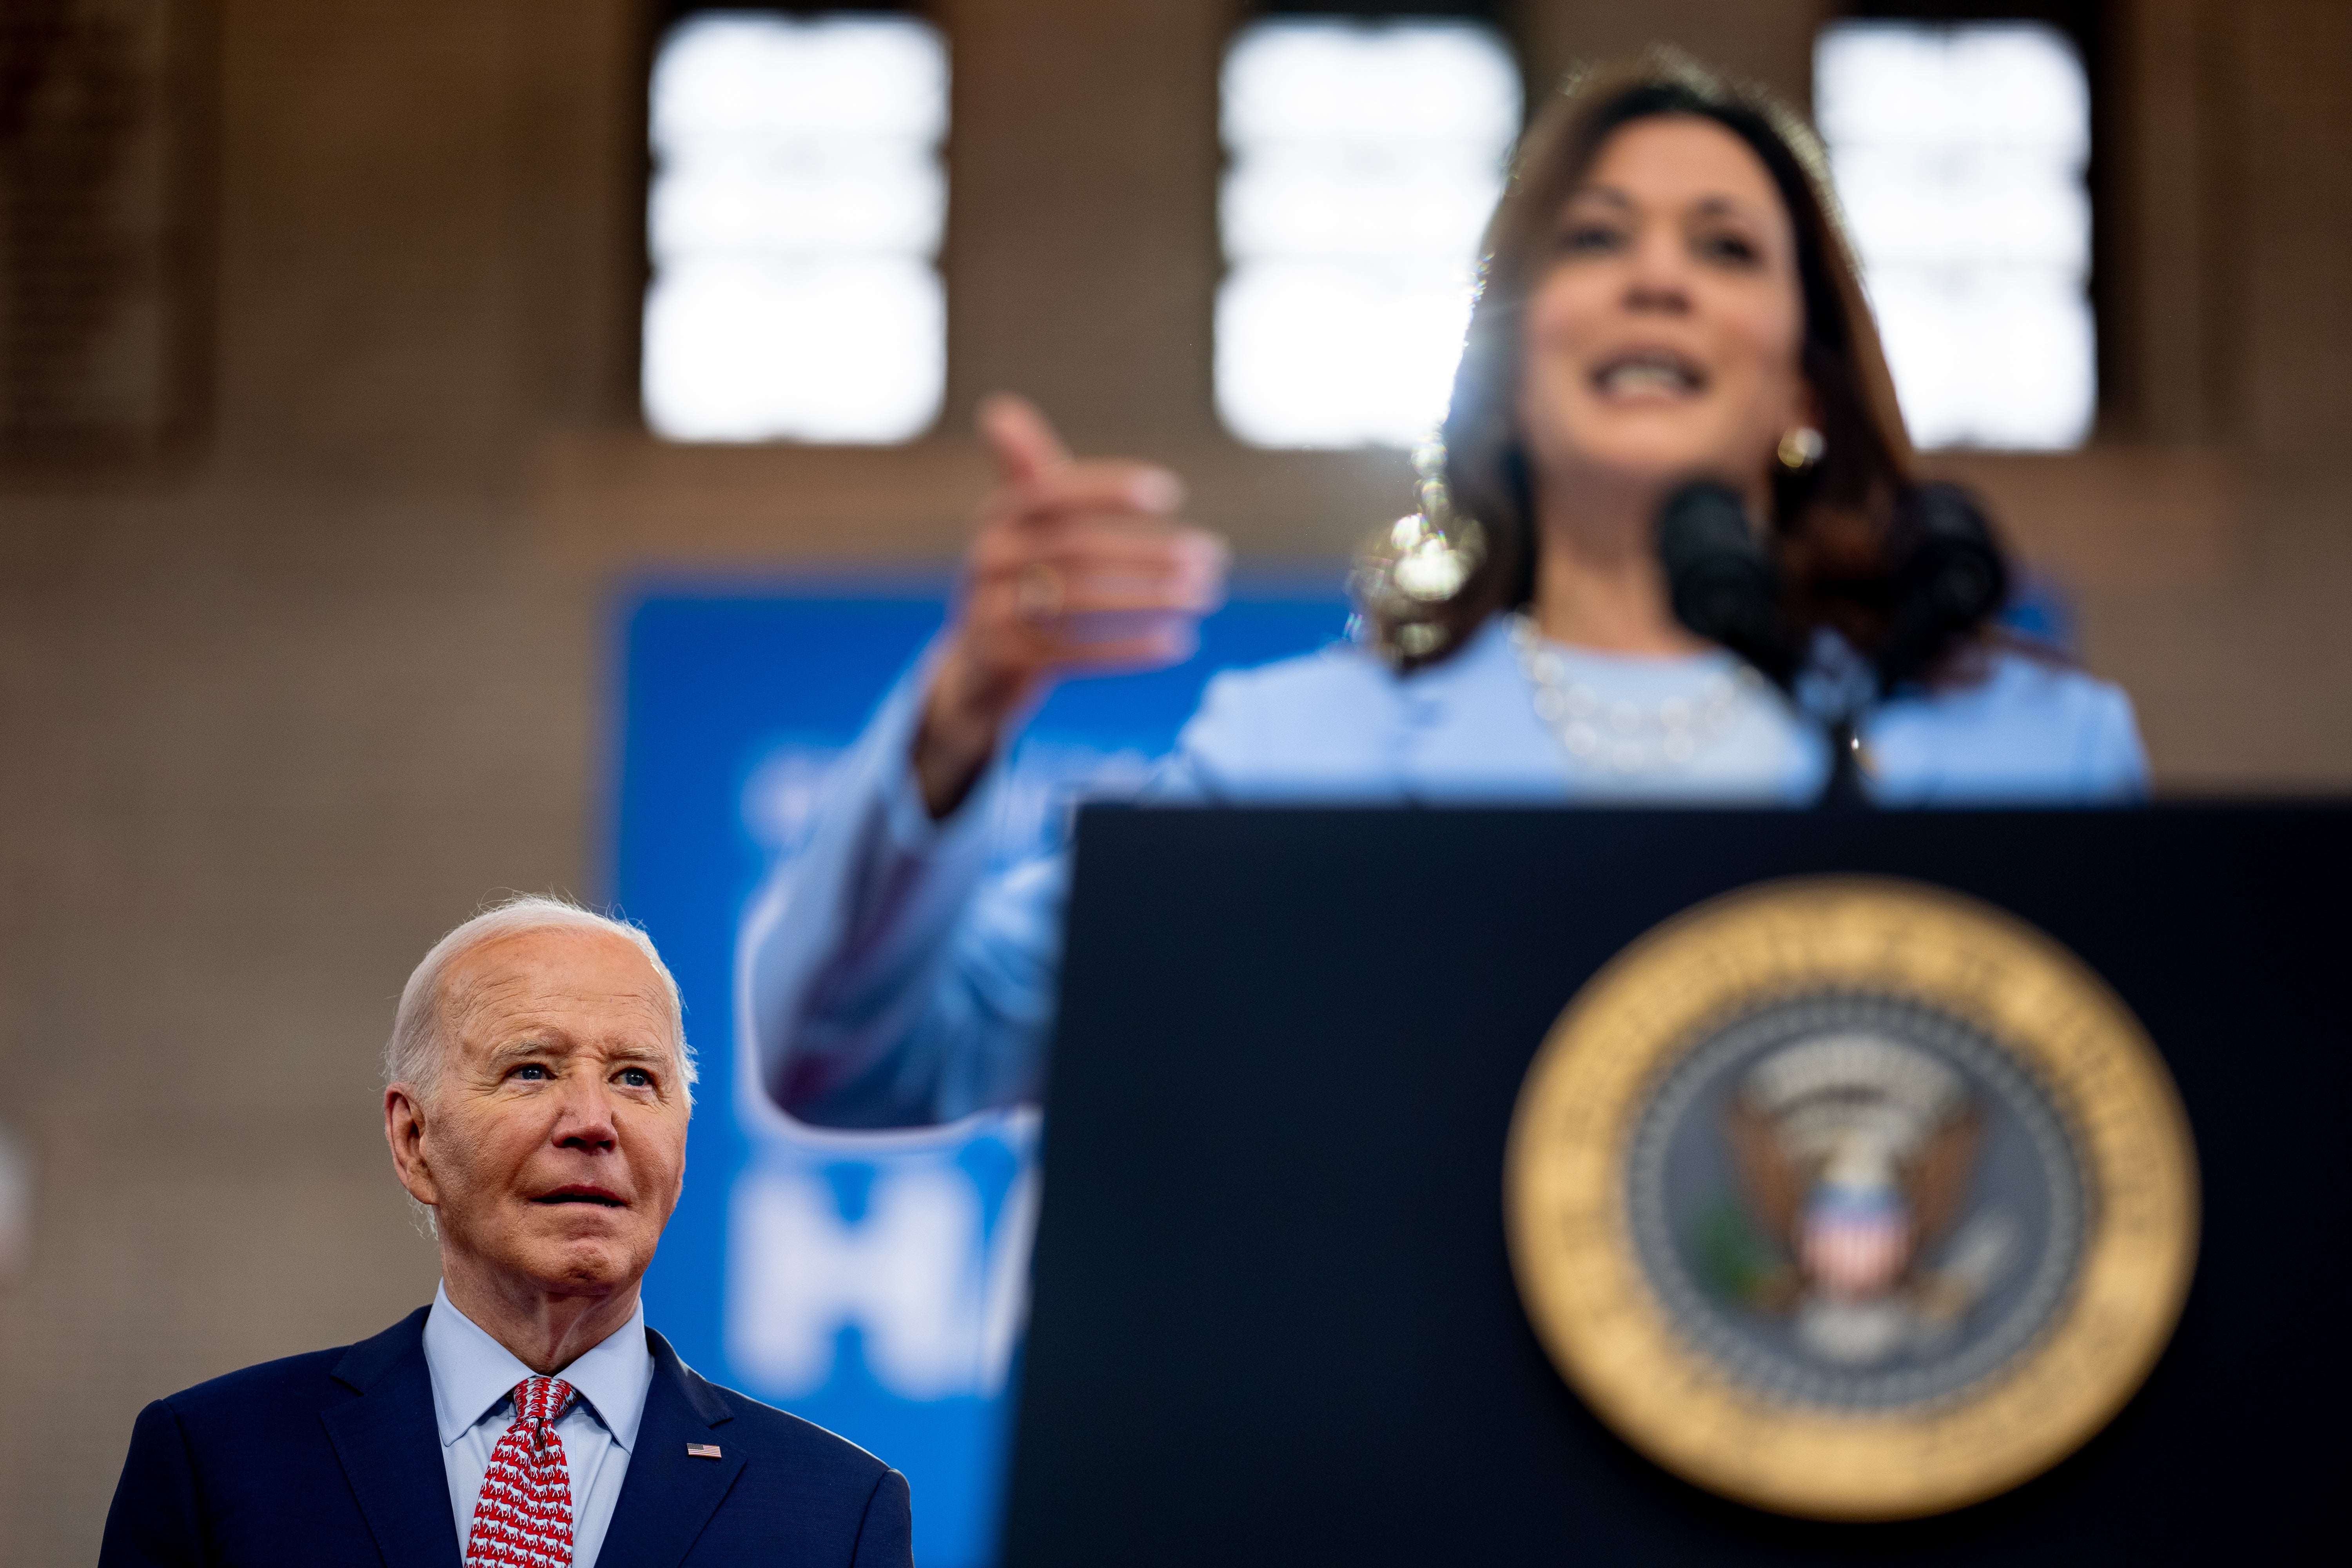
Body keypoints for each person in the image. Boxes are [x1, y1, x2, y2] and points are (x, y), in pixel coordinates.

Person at [743, 52, 2149, 1132]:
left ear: (1803, 382)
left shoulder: (2029, 754)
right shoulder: (1294, 761)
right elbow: (855, 1058)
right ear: (1508, 362)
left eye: (1723, 247)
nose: (1656, 277)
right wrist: (966, 708)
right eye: (1596, 240)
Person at [98, 897, 913, 1568]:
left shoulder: (837, 1512)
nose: (594, 1122)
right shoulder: (215, 1463)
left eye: (636, 1077)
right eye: (533, 1068)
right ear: (415, 1140)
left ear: (683, 1141)